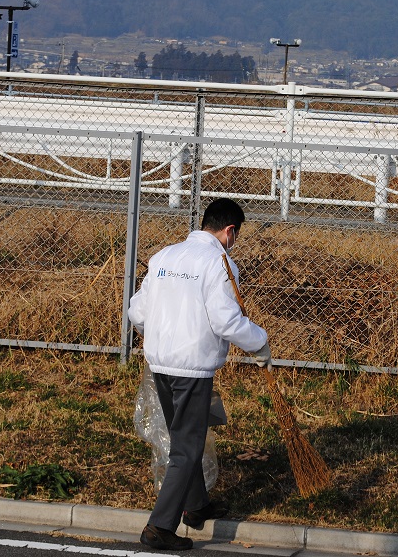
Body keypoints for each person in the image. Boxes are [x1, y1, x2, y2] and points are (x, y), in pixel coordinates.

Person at [128, 197, 271, 551]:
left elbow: (138, 312)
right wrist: (260, 344)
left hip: (160, 363)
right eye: (236, 236)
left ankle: (196, 507)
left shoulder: (163, 257)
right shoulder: (219, 263)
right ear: (230, 231)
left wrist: (163, 337)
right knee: (187, 449)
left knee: (184, 441)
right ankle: (159, 527)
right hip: (192, 369)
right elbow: (225, 320)